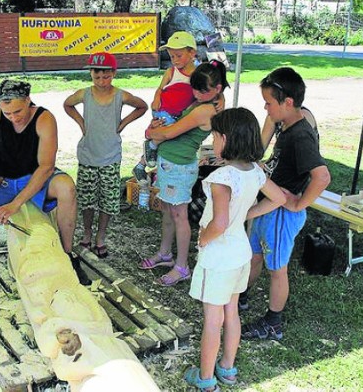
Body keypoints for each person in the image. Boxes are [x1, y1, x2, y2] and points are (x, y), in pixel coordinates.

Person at [0, 79, 87, 283]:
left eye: (17, 111)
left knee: (67, 188)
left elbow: (46, 166)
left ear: (28, 100)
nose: (13, 118)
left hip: (37, 176)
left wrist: (15, 204)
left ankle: (67, 253)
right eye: (7, 113)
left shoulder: (44, 119)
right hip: (4, 178)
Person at [183, 108, 285, 392]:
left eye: (214, 137)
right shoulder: (255, 170)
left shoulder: (221, 178)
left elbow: (221, 222)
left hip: (218, 257)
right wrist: (248, 213)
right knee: (232, 313)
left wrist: (204, 237)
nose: (213, 142)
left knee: (212, 321)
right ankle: (227, 368)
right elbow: (278, 198)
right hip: (240, 254)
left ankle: (204, 378)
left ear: (224, 138)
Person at [241, 67, 330, 340]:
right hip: (270, 205)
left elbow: (322, 177)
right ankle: (241, 297)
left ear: (287, 102)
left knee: (277, 269)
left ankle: (273, 322)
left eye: (269, 103)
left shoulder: (301, 135)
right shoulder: (288, 124)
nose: (266, 108)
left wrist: (299, 204)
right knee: (254, 255)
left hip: (281, 212)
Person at [139, 61, 229, 286]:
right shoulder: (209, 100)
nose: (196, 94)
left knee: (180, 216)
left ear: (217, 88)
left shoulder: (206, 109)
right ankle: (165, 253)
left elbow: (170, 133)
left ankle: (181, 266)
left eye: (202, 90)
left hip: (179, 168)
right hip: (171, 164)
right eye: (195, 88)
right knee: (168, 211)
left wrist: (152, 132)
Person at [63, 52, 147, 257]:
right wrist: (81, 122)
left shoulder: (120, 95)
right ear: (91, 74)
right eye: (97, 76)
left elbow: (142, 106)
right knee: (86, 199)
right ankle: (87, 233)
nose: (102, 81)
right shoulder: (84, 94)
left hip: (110, 156)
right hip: (88, 155)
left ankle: (101, 236)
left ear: (114, 73)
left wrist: (123, 123)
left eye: (106, 76)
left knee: (108, 200)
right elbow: (67, 104)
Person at [133, 31, 198, 179]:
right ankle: (151, 146)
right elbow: (160, 88)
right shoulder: (171, 71)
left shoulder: (198, 75)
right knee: (167, 131)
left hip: (178, 114)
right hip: (164, 110)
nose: (174, 60)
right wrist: (156, 100)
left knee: (171, 135)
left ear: (192, 53)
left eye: (178, 56)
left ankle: (141, 165)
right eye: (171, 56)